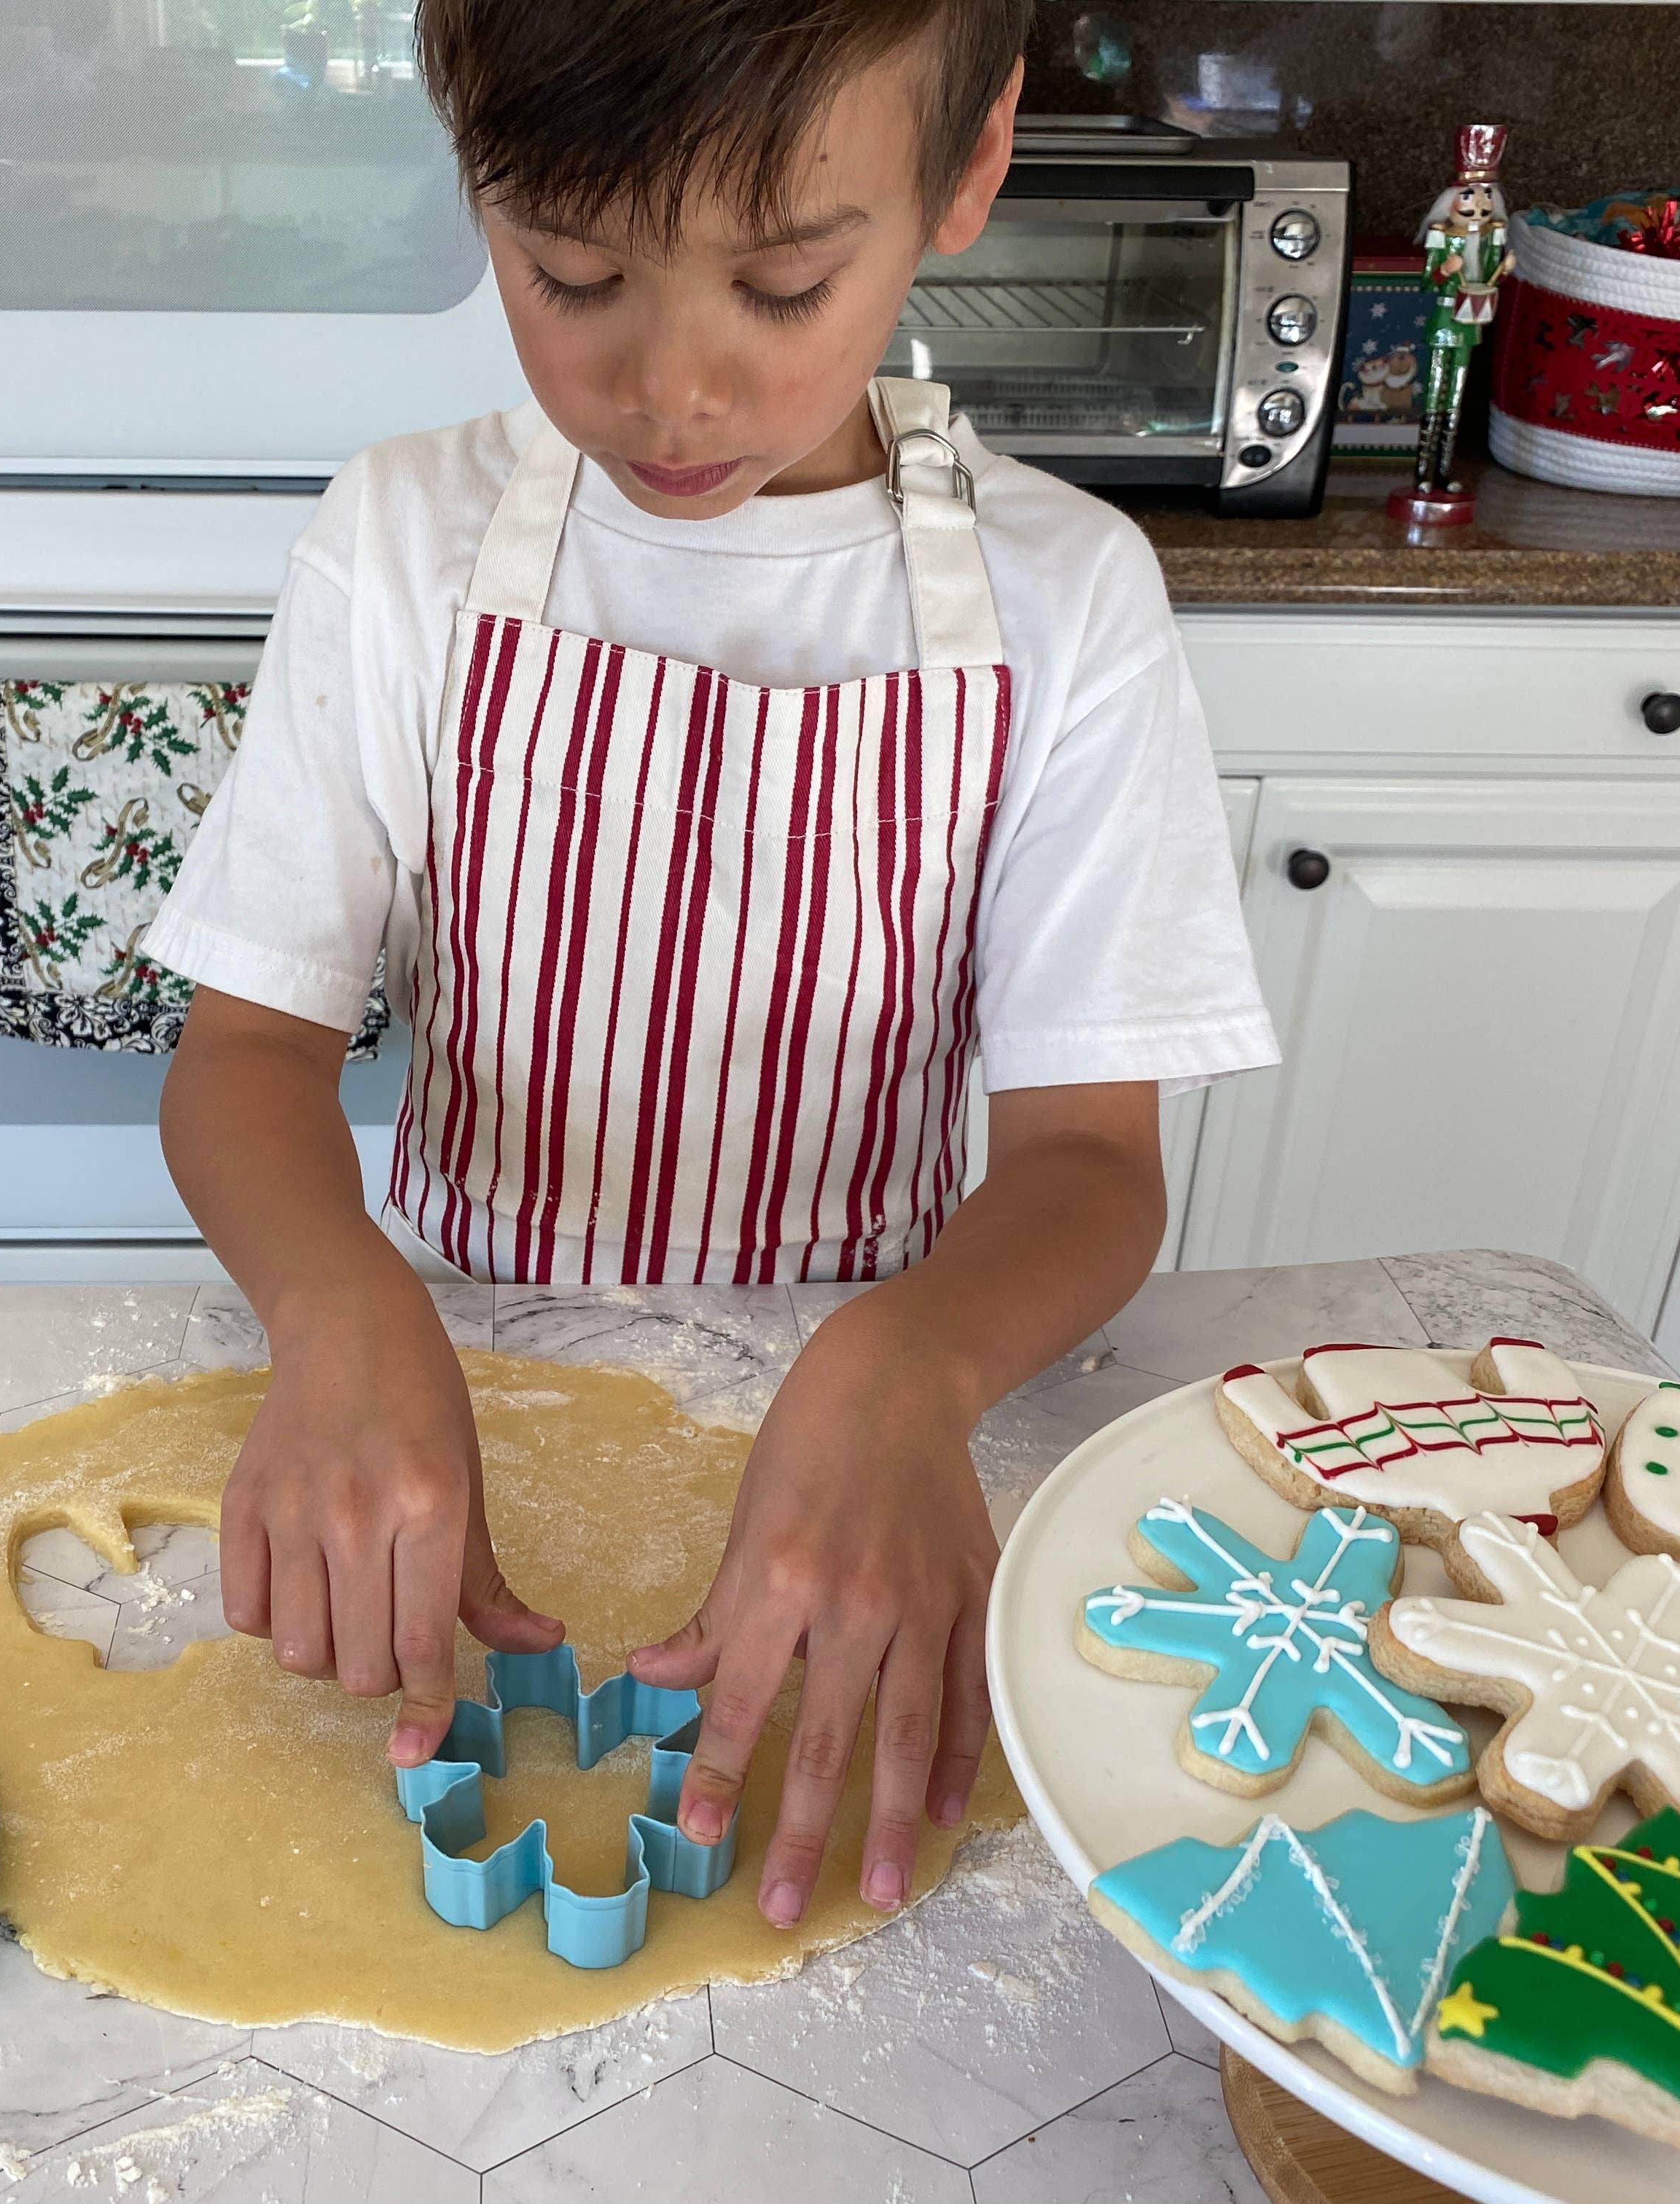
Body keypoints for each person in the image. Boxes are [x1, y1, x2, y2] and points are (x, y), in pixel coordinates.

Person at [144, 0, 1274, 1931]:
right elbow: (248, 1048)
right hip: (467, 1404)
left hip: (881, 1424)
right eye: (571, 273)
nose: (673, 385)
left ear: (969, 165)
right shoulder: (402, 543)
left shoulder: (1063, 603)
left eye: (779, 285)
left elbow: (1089, 1163)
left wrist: (906, 1372)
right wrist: (336, 1312)